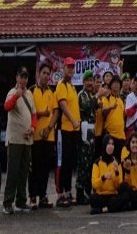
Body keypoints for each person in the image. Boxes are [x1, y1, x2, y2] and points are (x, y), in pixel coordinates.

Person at [2, 66, 36, 214]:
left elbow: (34, 114)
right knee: (13, 172)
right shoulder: (12, 92)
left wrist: (33, 128)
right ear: (16, 78)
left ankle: (21, 201)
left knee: (24, 172)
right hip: (15, 139)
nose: (23, 80)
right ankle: (7, 203)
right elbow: (7, 106)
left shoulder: (29, 94)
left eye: (26, 77)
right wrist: (16, 95)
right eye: (21, 77)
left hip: (27, 139)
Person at [29, 62, 58, 209]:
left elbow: (55, 112)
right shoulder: (31, 91)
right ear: (38, 74)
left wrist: (49, 128)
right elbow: (28, 113)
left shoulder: (51, 92)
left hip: (49, 136)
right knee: (35, 167)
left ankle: (43, 196)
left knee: (46, 168)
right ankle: (33, 196)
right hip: (34, 136)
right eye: (44, 73)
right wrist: (41, 114)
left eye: (48, 74)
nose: (46, 76)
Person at [55, 57, 81, 208]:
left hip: (74, 131)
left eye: (72, 67)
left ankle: (68, 191)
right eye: (68, 67)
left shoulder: (71, 86)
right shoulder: (61, 85)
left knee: (70, 162)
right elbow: (63, 105)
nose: (70, 69)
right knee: (62, 162)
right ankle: (61, 193)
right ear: (63, 68)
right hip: (64, 130)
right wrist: (72, 120)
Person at [90, 135, 129, 215]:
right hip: (101, 195)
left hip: (113, 195)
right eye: (108, 144)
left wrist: (117, 173)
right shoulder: (97, 162)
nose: (111, 146)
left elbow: (118, 185)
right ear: (104, 145)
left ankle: (103, 209)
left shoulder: (116, 162)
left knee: (126, 195)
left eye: (112, 144)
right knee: (93, 198)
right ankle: (113, 207)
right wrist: (103, 178)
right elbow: (94, 184)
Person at [76, 70, 98, 205]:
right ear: (83, 82)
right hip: (84, 131)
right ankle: (79, 192)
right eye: (88, 81)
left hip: (92, 131)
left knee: (90, 163)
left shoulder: (91, 94)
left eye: (91, 80)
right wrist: (97, 97)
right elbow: (86, 106)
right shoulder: (82, 95)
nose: (90, 83)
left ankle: (87, 191)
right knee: (83, 164)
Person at [103, 76, 126, 157]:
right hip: (110, 136)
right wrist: (111, 107)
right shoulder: (106, 98)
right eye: (114, 83)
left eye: (118, 83)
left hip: (121, 136)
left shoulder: (121, 100)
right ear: (110, 85)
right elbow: (103, 112)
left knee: (120, 162)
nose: (116, 85)